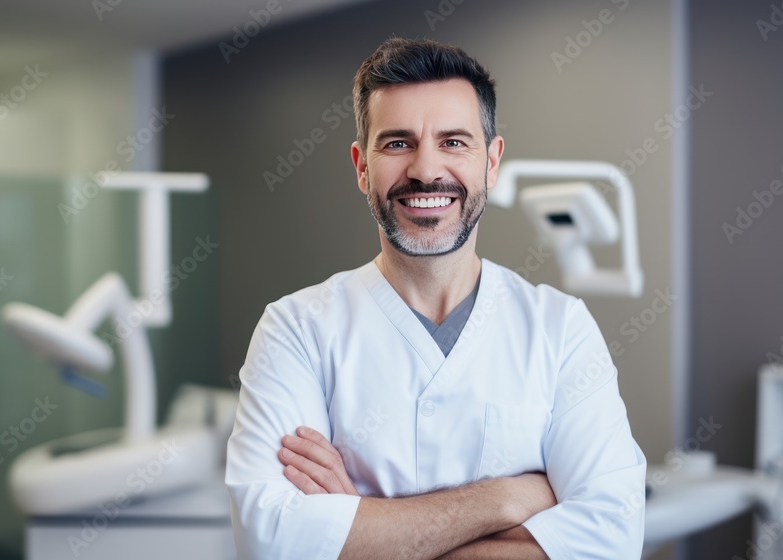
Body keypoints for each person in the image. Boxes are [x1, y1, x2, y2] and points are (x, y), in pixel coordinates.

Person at [226, 37, 646, 560]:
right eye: (398, 143)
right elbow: (274, 543)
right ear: (361, 166)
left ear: (492, 163)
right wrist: (509, 497)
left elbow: (611, 539)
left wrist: (360, 526)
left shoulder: (560, 328)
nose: (426, 170)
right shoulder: (295, 329)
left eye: (454, 142)